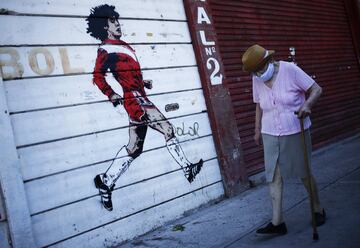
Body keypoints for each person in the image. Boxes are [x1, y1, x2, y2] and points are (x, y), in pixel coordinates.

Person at [86, 4, 203, 211]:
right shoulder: (106, 48)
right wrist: (111, 93)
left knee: (134, 148)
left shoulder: (123, 45)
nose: (118, 24)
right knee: (167, 129)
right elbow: (97, 76)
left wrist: (142, 82)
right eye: (113, 21)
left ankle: (106, 181)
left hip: (139, 95)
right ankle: (187, 168)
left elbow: (126, 73)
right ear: (105, 27)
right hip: (135, 100)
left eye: (117, 20)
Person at [242, 44, 326, 236]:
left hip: (295, 128)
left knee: (303, 173)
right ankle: (277, 222)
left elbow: (317, 90)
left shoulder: (290, 70)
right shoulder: (256, 78)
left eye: (260, 69)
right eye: (254, 72)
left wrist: (307, 104)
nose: (258, 74)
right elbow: (258, 105)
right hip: (269, 131)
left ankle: (317, 208)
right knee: (273, 175)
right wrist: (257, 129)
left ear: (269, 61)